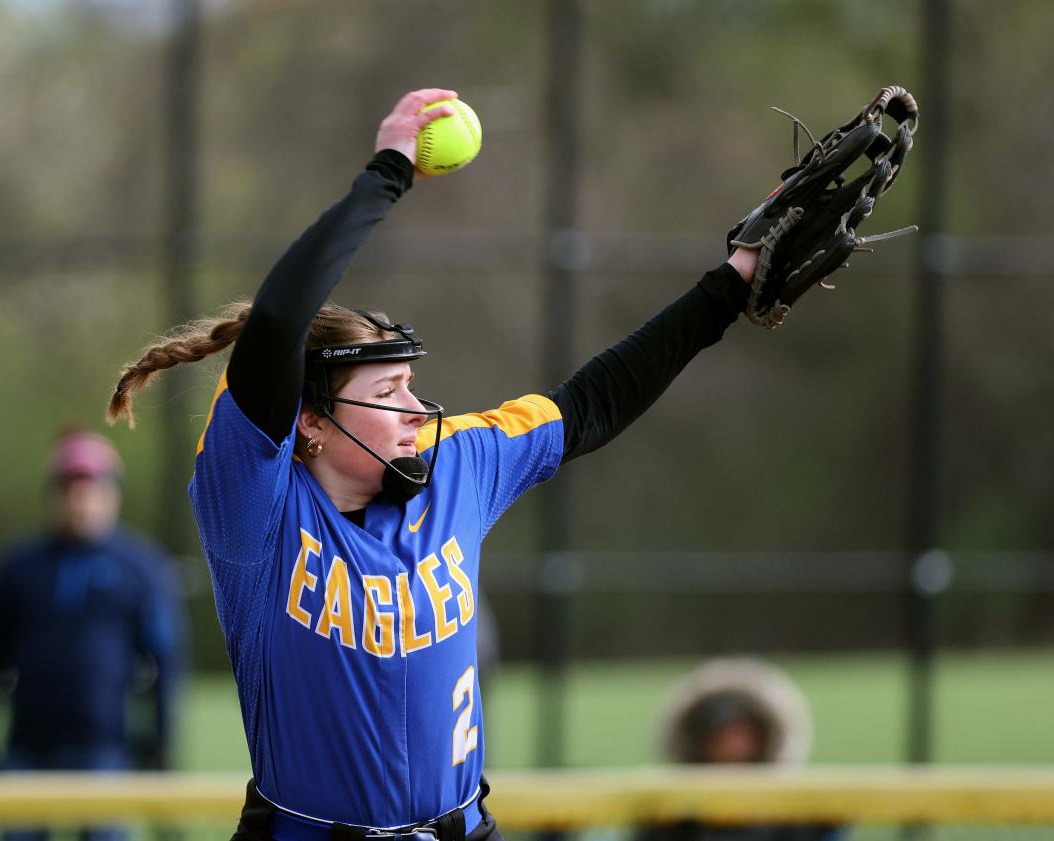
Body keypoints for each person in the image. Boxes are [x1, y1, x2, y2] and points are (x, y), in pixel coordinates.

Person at [107, 88, 760, 841]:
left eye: (411, 384)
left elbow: (590, 404)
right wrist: (389, 169)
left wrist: (728, 287)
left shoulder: (455, 465)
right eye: (387, 391)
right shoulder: (255, 506)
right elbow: (281, 321)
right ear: (312, 423)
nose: (417, 408)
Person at [0, 428, 187, 840]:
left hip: (104, 751)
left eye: (93, 490)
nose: (82, 502)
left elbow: (167, 663)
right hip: (26, 748)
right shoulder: (15, 568)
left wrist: (162, 747)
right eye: (71, 489)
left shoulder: (142, 569)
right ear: (54, 496)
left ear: (113, 495)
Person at [635, 659, 844, 841]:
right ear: (702, 741)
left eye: (743, 734)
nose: (734, 745)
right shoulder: (675, 818)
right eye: (723, 735)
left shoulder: (791, 817)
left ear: (762, 739)